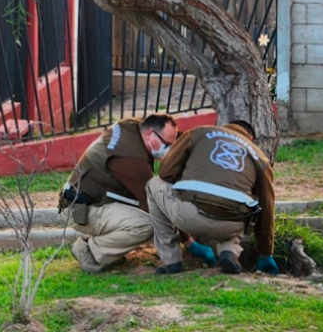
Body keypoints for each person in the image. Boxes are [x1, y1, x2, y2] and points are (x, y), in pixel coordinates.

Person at [147, 120, 278, 276]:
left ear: (224, 129)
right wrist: (266, 253)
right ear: (249, 137)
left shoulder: (199, 133)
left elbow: (166, 173)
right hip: (231, 226)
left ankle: (172, 261)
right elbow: (267, 208)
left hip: (190, 217)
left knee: (153, 183)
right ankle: (229, 251)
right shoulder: (261, 158)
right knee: (244, 209)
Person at [60, 114, 177, 273]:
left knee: (143, 214)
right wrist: (190, 241)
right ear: (150, 134)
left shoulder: (132, 128)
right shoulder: (130, 159)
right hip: (77, 210)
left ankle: (109, 247)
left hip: (87, 198)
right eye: (167, 144)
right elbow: (157, 205)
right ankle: (90, 251)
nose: (170, 148)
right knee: (147, 224)